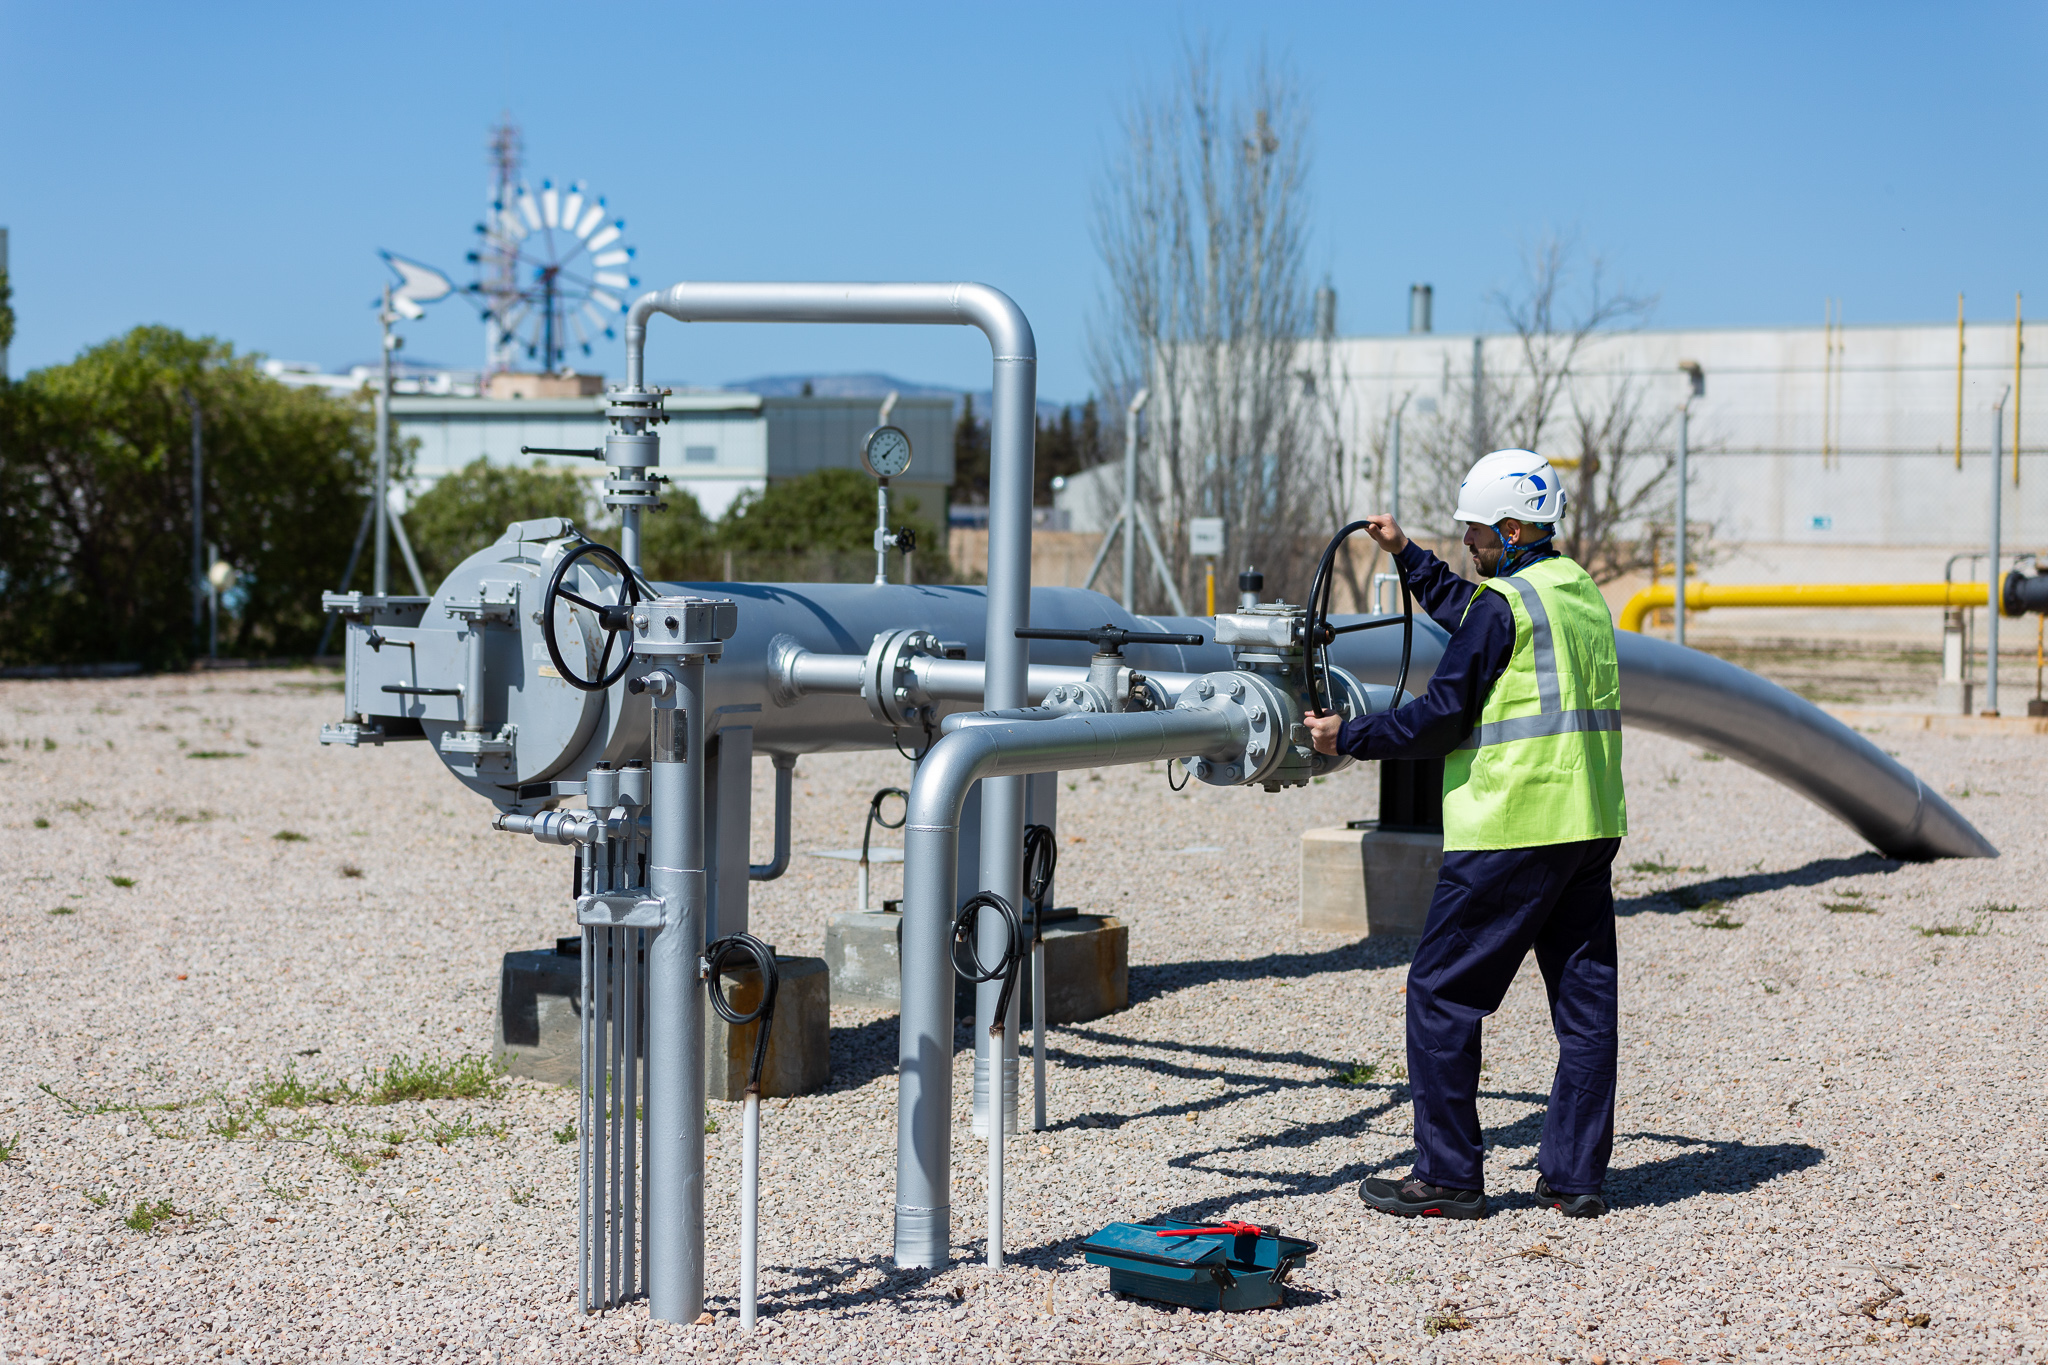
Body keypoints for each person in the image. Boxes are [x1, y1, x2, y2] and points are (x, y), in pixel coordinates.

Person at [1304, 449, 1626, 1220]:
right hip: (1586, 824)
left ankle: (1447, 1173)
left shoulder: (1504, 605)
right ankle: (1575, 1177)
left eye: (1477, 532)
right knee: (1585, 1008)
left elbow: (1441, 714)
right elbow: (1481, 616)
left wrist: (1347, 736)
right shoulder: (1575, 591)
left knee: (1440, 992)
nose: (1471, 545)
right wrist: (1408, 556)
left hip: (1512, 825)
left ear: (1512, 528)